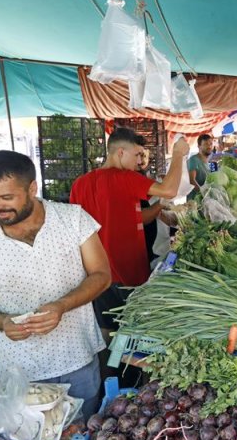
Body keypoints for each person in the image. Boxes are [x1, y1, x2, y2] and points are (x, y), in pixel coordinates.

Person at [0, 151, 110, 420]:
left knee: (83, 437)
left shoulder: (73, 219)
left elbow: (101, 275)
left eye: (6, 197)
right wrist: (4, 322)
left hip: (78, 357)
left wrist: (62, 305)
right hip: (19, 372)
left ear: (32, 188)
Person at [70, 127, 189, 334]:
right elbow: (170, 189)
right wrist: (178, 154)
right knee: (135, 332)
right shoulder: (124, 177)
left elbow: (133, 219)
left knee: (107, 331)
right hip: (128, 274)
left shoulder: (80, 184)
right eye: (137, 155)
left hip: (97, 275)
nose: (139, 161)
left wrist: (160, 205)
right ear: (120, 153)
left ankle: (108, 367)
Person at [188, 134, 213, 200]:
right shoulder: (193, 160)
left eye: (211, 144)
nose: (209, 146)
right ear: (199, 146)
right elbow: (192, 181)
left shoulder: (209, 163)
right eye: (206, 144)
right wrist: (204, 193)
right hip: (194, 202)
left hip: (205, 201)